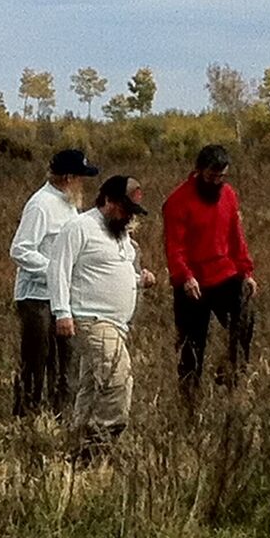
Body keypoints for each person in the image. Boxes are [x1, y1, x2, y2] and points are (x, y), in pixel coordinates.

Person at [48, 174, 156, 457]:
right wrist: (61, 313)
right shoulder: (79, 228)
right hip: (90, 319)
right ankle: (98, 447)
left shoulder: (122, 235)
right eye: (123, 209)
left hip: (117, 325)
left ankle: (75, 446)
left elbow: (108, 272)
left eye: (131, 212)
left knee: (91, 386)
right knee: (118, 380)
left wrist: (138, 280)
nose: (127, 217)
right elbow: (58, 269)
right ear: (107, 200)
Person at [162, 144, 256, 405]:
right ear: (198, 171)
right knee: (192, 348)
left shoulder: (228, 195)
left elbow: (236, 236)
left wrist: (246, 271)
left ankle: (230, 373)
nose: (216, 182)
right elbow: (174, 247)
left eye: (221, 177)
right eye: (211, 176)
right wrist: (185, 276)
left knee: (245, 319)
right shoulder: (177, 201)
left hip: (225, 274)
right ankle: (189, 404)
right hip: (192, 283)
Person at [9, 148, 100, 417]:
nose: (84, 182)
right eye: (81, 177)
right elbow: (21, 249)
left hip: (63, 298)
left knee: (66, 359)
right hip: (36, 298)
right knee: (37, 359)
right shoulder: (41, 204)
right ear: (68, 177)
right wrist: (54, 271)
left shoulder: (70, 203)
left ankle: (60, 416)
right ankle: (27, 415)